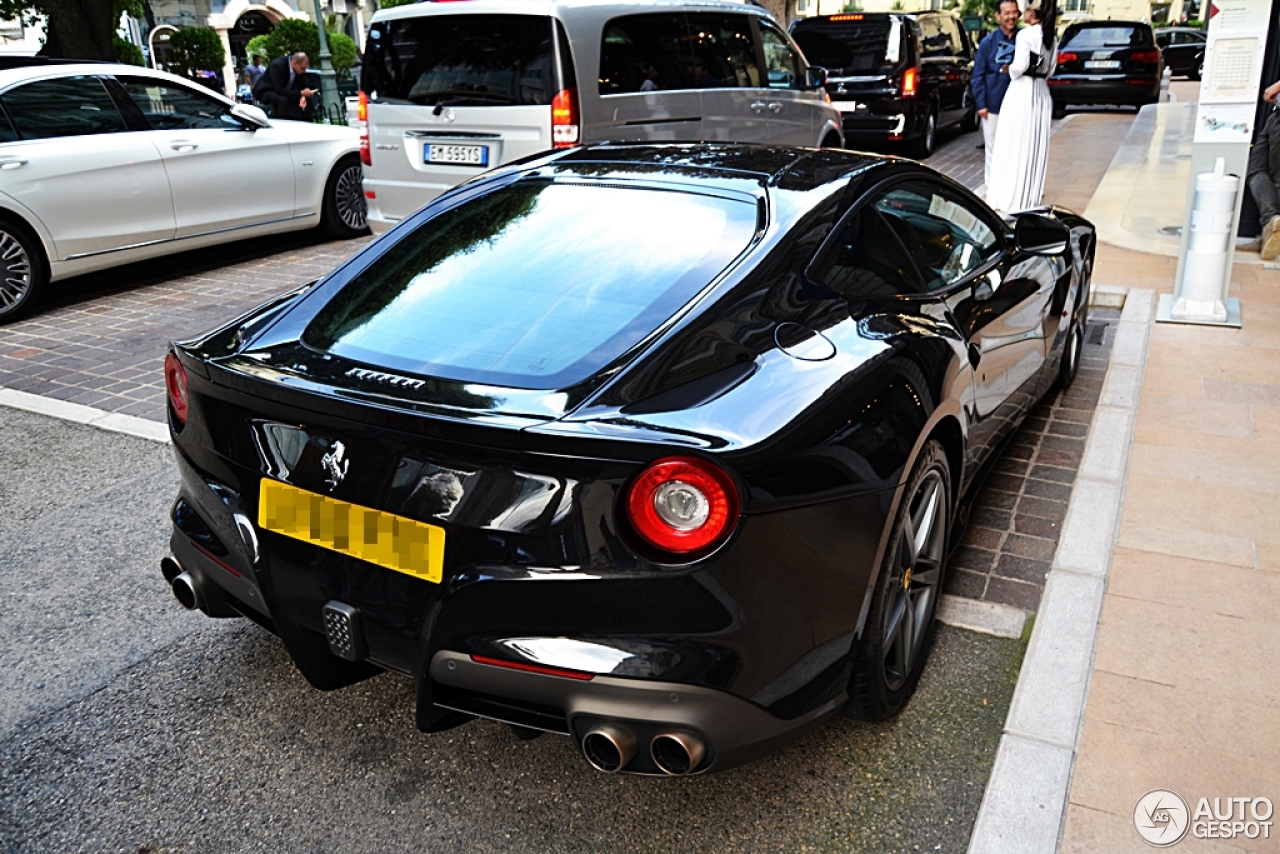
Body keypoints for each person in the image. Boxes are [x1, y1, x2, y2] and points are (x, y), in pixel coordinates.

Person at [986, 0, 1059, 213]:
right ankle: (1029, 197)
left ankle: (1009, 198)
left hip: (1022, 93)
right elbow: (1051, 70)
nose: (1020, 14)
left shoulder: (1025, 35)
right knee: (1033, 144)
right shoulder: (1051, 37)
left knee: (1013, 143)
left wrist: (1007, 69)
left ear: (1031, 12)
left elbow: (1019, 67)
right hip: (1042, 94)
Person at [972, 0, 1020, 191]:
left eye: (1014, 12)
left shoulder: (1023, 40)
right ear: (998, 16)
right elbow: (978, 75)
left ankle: (1011, 187)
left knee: (1014, 148)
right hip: (993, 104)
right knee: (993, 148)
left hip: (1017, 105)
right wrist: (981, 104)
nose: (1011, 16)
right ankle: (992, 188)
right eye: (1007, 13)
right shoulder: (987, 43)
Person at [1246, 80, 1280, 259]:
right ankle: (1270, 228)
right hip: (1275, 116)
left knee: (1276, 177)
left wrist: (1274, 88)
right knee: (1256, 168)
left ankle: (1271, 225)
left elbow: (1270, 92)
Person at [252, 52, 320, 120]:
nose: (304, 71)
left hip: (286, 91)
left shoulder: (300, 70)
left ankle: (307, 122)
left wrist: (304, 95)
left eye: (305, 69)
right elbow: (279, 90)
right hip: (267, 90)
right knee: (283, 100)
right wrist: (300, 93)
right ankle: (285, 123)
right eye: (302, 68)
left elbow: (304, 85)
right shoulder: (277, 65)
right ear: (294, 63)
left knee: (309, 99)